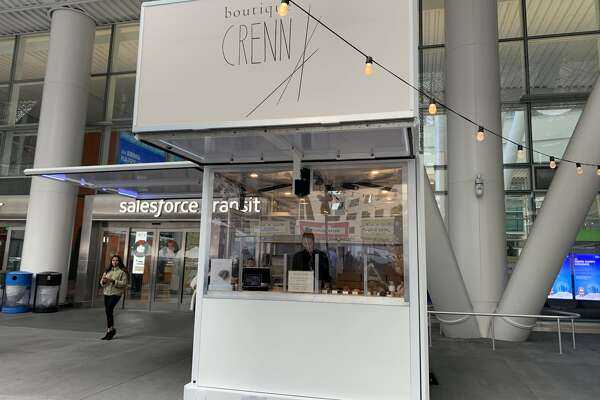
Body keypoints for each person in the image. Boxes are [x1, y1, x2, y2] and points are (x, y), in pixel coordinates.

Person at [100, 255, 128, 340]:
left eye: (116, 260)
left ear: (119, 262)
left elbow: (124, 283)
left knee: (109, 310)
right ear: (111, 261)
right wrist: (103, 282)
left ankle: (110, 330)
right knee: (108, 311)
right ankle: (110, 330)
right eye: (113, 260)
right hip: (106, 293)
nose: (114, 262)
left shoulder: (122, 272)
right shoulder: (107, 271)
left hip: (116, 293)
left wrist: (113, 281)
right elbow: (101, 282)